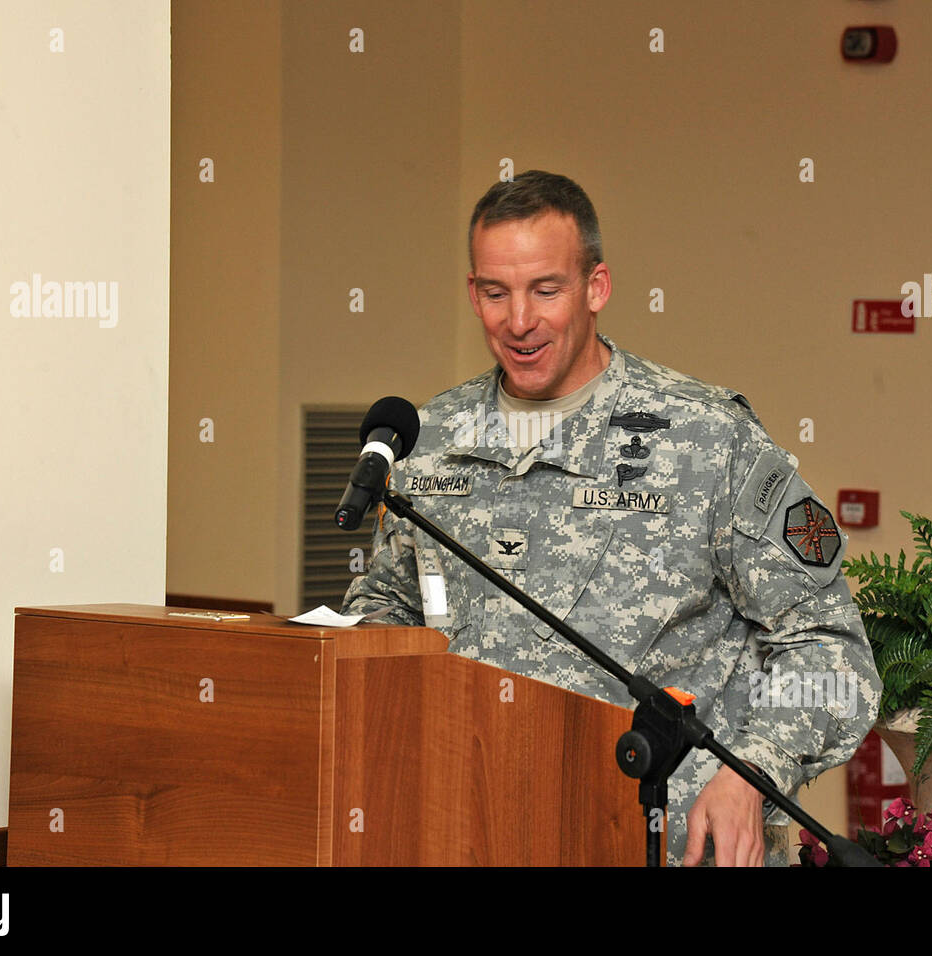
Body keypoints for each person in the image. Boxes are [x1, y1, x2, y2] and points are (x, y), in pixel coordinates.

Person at [342, 170, 881, 866]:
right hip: (470, 830)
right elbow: (388, 611)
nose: (519, 321)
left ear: (595, 288)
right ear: (472, 294)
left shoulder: (705, 438)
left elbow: (832, 652)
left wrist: (753, 774)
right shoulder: (429, 438)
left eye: (546, 289)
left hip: (663, 844)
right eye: (496, 293)